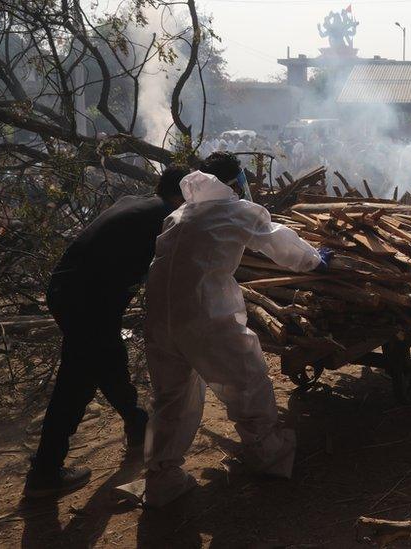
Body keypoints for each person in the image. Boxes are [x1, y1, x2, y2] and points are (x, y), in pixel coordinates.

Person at [140, 152, 329, 507]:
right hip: (204, 315)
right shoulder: (235, 210)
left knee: (171, 398)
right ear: (233, 182)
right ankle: (269, 456)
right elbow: (278, 240)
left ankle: (161, 478)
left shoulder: (178, 215)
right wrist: (316, 260)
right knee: (248, 380)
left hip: (160, 318)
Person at [23, 166, 188, 498]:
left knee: (109, 359)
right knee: (77, 382)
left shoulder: (134, 202)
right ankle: (45, 471)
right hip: (88, 302)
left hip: (66, 290)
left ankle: (137, 423)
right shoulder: (168, 218)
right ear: (182, 194)